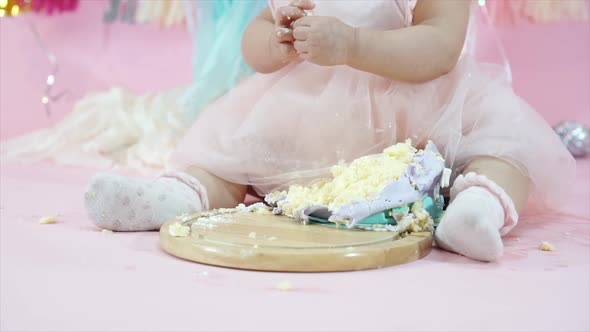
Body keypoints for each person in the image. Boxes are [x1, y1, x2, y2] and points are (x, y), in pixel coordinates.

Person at [84, 0, 575, 262]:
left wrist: (355, 44)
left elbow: (441, 45)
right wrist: (274, 42)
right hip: (306, 120)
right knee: (233, 158)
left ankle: (475, 209)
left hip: (411, 119)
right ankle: (173, 200)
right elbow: (253, 36)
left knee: (502, 143)